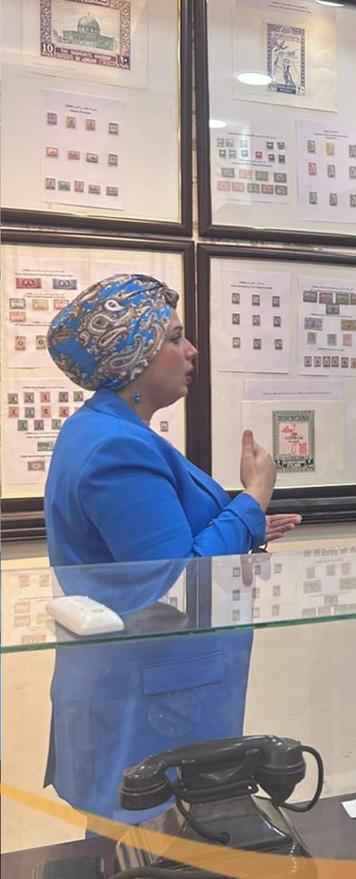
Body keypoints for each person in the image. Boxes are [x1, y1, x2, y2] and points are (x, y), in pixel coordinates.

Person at [42, 274, 301, 823]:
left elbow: (152, 549)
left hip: (139, 683)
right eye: (175, 338)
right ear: (133, 356)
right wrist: (253, 497)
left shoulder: (104, 431)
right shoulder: (116, 447)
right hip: (151, 696)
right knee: (151, 856)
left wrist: (244, 526)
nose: (192, 350)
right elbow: (178, 577)